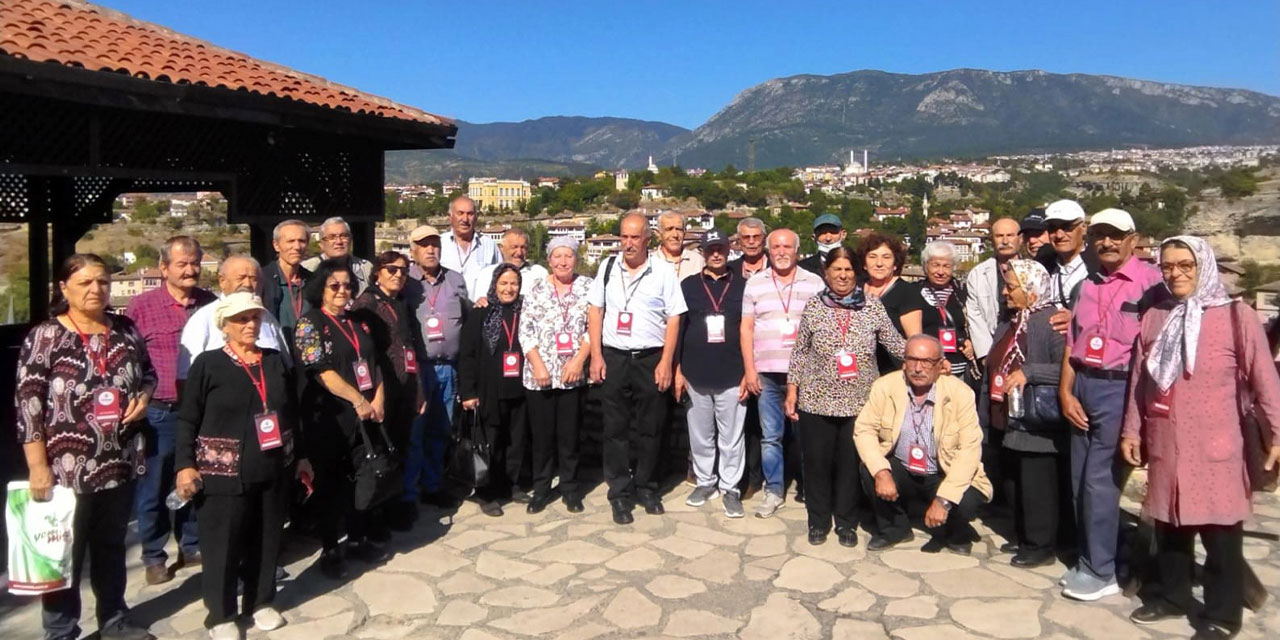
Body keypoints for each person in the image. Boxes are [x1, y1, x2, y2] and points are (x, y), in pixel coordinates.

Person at [1121, 236, 1280, 639]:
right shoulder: (1156, 316)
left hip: (1216, 446)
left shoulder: (1235, 316)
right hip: (1165, 442)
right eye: (1168, 266)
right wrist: (1132, 429)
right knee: (1171, 526)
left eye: (1185, 265)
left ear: (1203, 266)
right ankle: (1173, 597)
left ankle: (1223, 616)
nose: (1175, 273)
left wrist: (1277, 434)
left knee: (1221, 533)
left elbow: (1265, 378)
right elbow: (1141, 381)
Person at [16, 253, 157, 640]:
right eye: (85, 283)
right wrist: (37, 467)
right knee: (64, 554)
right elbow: (28, 405)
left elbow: (148, 373)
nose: (96, 289)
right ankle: (61, 630)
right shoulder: (46, 336)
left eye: (103, 282)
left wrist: (144, 398)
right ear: (64, 288)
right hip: (65, 470)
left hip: (120, 461)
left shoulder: (125, 329)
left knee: (112, 546)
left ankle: (114, 619)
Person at [174, 292, 311, 640]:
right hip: (223, 472)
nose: (250, 325)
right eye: (241, 319)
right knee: (222, 545)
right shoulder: (208, 364)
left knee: (266, 539)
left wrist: (302, 456)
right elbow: (188, 417)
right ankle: (220, 615)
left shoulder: (275, 360)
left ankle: (261, 601)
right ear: (224, 326)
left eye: (254, 318)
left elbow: (292, 412)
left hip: (273, 465)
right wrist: (185, 465)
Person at [1057, 208, 1164, 601]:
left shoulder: (1151, 284)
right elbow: (1073, 344)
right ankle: (1094, 555)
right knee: (1078, 480)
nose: (1107, 242)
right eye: (1100, 235)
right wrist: (1066, 392)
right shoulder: (1086, 286)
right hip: (1083, 384)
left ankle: (1099, 571)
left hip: (1122, 389)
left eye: (1116, 235)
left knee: (1099, 483)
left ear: (1133, 240)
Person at [784, 247, 907, 546]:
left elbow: (894, 343)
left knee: (849, 466)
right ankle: (818, 521)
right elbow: (800, 351)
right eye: (837, 269)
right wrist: (792, 389)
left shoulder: (873, 306)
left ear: (857, 273)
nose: (842, 275)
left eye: (848, 269)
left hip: (859, 402)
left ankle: (846, 523)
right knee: (817, 465)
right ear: (826, 273)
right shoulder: (814, 305)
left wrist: (924, 359)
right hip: (816, 399)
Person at [123, 235, 215, 585]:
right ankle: (154, 554)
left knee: (195, 479)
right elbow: (129, 359)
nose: (191, 269)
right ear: (164, 268)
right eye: (182, 264)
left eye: (195, 262)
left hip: (201, 409)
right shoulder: (142, 306)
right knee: (155, 486)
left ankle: (191, 545)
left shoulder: (210, 304)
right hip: (159, 410)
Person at [588, 213, 687, 524]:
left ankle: (646, 487)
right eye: (624, 237)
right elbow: (595, 310)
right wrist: (595, 355)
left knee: (651, 427)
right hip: (614, 356)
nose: (628, 244)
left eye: (634, 238)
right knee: (614, 429)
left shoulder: (662, 272)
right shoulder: (606, 268)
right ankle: (618, 492)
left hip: (650, 358)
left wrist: (666, 362)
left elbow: (674, 318)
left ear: (648, 240)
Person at [294, 259, 390, 579]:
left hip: (365, 415)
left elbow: (374, 363)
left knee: (363, 479)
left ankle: (359, 538)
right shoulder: (310, 323)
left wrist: (378, 399)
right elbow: (321, 372)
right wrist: (359, 399)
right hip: (331, 417)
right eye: (334, 285)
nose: (342, 291)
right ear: (321, 288)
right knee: (331, 484)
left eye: (347, 285)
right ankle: (331, 546)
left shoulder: (357, 322)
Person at [855, 334, 993, 554]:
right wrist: (881, 472)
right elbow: (864, 429)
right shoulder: (885, 386)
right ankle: (895, 528)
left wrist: (944, 500)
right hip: (904, 467)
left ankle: (953, 532)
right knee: (870, 468)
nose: (918, 368)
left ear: (940, 365)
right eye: (912, 360)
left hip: (942, 472)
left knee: (966, 499)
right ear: (904, 362)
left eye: (927, 362)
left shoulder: (960, 393)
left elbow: (970, 449)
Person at [984, 259, 1068, 568]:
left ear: (1031, 289)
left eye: (1011, 287)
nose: (1004, 292)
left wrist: (1029, 372)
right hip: (1007, 418)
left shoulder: (1050, 322)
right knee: (1014, 483)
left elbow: (1066, 368)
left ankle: (1041, 545)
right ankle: (1023, 536)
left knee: (1037, 486)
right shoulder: (1010, 321)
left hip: (1036, 422)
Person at [742, 228, 825, 518]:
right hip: (766, 373)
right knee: (770, 436)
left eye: (787, 246)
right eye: (775, 246)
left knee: (807, 435)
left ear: (797, 250)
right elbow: (746, 328)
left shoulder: (814, 283)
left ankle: (808, 487)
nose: (780, 251)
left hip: (805, 375)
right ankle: (774, 489)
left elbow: (822, 329)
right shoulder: (755, 283)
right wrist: (749, 370)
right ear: (768, 250)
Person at [350, 251, 427, 530]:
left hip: (405, 386)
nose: (398, 275)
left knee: (401, 448)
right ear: (378, 272)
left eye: (404, 271)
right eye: (392, 269)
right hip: (381, 389)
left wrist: (418, 389)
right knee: (382, 451)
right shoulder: (366, 304)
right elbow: (364, 354)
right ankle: (376, 513)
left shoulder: (401, 303)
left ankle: (396, 506)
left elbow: (410, 349)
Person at [675, 230, 749, 518]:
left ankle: (730, 488)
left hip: (733, 372)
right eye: (710, 249)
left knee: (731, 438)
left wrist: (748, 372)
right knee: (701, 435)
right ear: (703, 253)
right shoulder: (688, 285)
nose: (716, 254)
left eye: (720, 249)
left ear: (729, 250)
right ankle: (706, 482)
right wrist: (678, 370)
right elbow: (679, 329)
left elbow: (750, 331)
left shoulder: (744, 286)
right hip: (695, 372)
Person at [518, 237, 593, 514]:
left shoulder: (587, 286)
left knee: (570, 436)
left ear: (576, 259)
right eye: (557, 256)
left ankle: (570, 489)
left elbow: (593, 327)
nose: (563, 261)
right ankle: (541, 489)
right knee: (542, 438)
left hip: (573, 375)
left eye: (569, 256)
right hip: (541, 376)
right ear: (549, 260)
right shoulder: (536, 288)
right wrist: (538, 364)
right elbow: (526, 330)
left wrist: (579, 361)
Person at [402, 224, 472, 508]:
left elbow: (466, 320)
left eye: (435, 244)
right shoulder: (405, 282)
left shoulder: (455, 280)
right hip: (419, 370)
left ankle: (432, 485)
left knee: (440, 430)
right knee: (414, 433)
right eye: (424, 245)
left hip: (448, 369)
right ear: (413, 251)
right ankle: (408, 492)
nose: (431, 250)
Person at [459, 264, 528, 517]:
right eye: (504, 283)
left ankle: (511, 484)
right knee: (490, 442)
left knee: (516, 440)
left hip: (519, 388)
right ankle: (486, 492)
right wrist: (468, 392)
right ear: (494, 285)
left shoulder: (526, 311)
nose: (509, 289)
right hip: (489, 389)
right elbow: (467, 355)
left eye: (514, 284)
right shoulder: (481, 313)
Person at [177, 255, 292, 384]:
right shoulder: (203, 319)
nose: (247, 284)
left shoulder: (267, 317)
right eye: (241, 278)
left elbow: (285, 366)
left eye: (253, 278)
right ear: (222, 281)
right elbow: (186, 377)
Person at [725, 217, 769, 499]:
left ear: (763, 239)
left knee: (765, 423)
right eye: (746, 237)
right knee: (738, 421)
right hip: (733, 354)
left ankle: (762, 476)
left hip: (768, 354)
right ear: (738, 241)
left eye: (756, 237)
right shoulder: (728, 271)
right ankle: (740, 477)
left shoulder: (778, 269)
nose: (751, 241)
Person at [859, 231, 924, 374]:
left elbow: (914, 338)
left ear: (895, 264)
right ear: (864, 263)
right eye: (872, 257)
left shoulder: (907, 292)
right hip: (858, 371)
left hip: (893, 370)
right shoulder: (855, 289)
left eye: (886, 257)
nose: (879, 263)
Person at [965, 218, 1021, 363]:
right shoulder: (978, 273)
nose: (1005, 240)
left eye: (1010, 235)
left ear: (1020, 239)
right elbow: (974, 314)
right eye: (999, 236)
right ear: (992, 240)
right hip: (992, 344)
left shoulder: (1033, 270)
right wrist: (986, 355)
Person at [917, 241, 976, 378]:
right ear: (926, 267)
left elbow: (971, 324)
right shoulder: (914, 292)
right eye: (935, 265)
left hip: (959, 367)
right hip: (928, 367)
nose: (941, 272)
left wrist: (969, 341)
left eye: (946, 266)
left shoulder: (962, 293)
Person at [261, 219, 312, 346]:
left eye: (302, 241)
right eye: (290, 241)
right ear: (276, 245)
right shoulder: (262, 280)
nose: (297, 247)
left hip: (308, 353)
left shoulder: (314, 281)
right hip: (276, 353)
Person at [439, 195, 501, 296]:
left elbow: (501, 278)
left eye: (470, 214)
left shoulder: (489, 245)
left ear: (476, 217)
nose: (465, 219)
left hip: (480, 310)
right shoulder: (440, 244)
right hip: (447, 310)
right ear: (450, 217)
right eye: (460, 213)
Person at [300, 217, 375, 295]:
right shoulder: (307, 269)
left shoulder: (366, 268)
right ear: (321, 244)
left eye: (344, 236)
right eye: (331, 237)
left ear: (350, 240)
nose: (339, 241)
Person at [471, 228, 549, 303]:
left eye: (523, 247)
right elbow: (480, 303)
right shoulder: (487, 274)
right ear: (501, 248)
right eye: (514, 247)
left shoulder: (540, 274)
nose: (519, 252)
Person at [651, 212, 704, 280]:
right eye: (669, 229)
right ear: (658, 234)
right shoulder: (650, 262)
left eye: (679, 229)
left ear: (684, 232)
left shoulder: (698, 261)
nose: (675, 235)